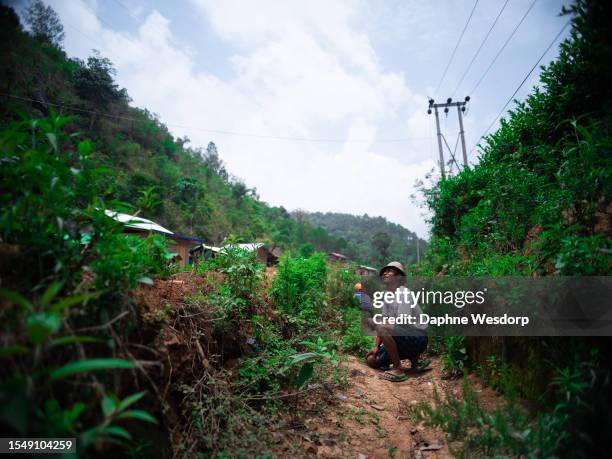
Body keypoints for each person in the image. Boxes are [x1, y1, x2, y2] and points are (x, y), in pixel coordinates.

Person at [365, 261, 428, 382]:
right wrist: (376, 347)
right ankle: (413, 358)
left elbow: (402, 322)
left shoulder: (404, 293)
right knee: (372, 360)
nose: (385, 273)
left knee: (380, 326)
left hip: (418, 338)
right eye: (384, 271)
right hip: (402, 338)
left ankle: (399, 368)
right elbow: (385, 322)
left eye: (390, 271)